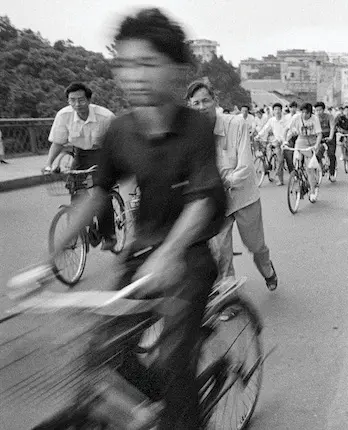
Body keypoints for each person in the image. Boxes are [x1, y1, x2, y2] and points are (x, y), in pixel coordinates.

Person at [46, 9, 228, 429]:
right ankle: (160, 406)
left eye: (147, 63)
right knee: (106, 352)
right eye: (124, 63)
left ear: (178, 71)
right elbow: (97, 193)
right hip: (141, 257)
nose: (133, 74)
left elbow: (202, 199)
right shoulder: (121, 130)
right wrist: (51, 255)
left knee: (173, 359)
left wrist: (170, 253)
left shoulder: (196, 128)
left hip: (190, 256)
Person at [187, 81, 279, 292]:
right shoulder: (191, 134)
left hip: (243, 196)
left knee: (255, 246)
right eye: (196, 103)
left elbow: (246, 166)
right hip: (215, 201)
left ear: (215, 101)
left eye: (205, 101)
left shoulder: (236, 124)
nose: (201, 107)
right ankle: (228, 297)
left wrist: (223, 182)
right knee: (220, 250)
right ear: (190, 106)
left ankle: (267, 270)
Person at [44, 82, 117, 250]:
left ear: (89, 100)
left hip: (103, 153)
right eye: (72, 100)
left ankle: (109, 235)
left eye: (81, 100)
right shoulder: (64, 115)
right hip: (80, 153)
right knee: (75, 188)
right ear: (68, 101)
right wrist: (49, 165)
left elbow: (116, 144)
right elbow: (58, 142)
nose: (77, 104)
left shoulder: (105, 116)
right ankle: (79, 228)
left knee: (101, 191)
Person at [286, 103, 323, 202]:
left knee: (309, 168)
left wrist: (316, 145)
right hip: (301, 140)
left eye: (306, 113)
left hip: (312, 141)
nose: (304, 115)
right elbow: (287, 129)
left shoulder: (315, 119)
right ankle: (297, 177)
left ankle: (312, 191)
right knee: (296, 162)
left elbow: (319, 134)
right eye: (302, 112)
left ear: (310, 113)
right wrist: (285, 141)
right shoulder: (296, 118)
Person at [255, 102, 288, 185]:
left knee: (281, 160)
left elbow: (289, 131)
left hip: (284, 142)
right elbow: (265, 128)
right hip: (275, 141)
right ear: (273, 111)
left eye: (278, 109)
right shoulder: (272, 120)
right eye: (275, 109)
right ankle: (268, 166)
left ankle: (280, 177)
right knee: (268, 148)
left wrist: (284, 140)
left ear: (281, 111)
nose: (277, 111)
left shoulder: (285, 120)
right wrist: (258, 136)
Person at [313, 101, 336, 180]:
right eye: (317, 110)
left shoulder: (329, 116)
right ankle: (321, 167)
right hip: (319, 136)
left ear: (323, 109)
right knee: (317, 154)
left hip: (329, 136)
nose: (318, 112)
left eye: (320, 110)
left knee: (331, 154)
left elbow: (332, 127)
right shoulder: (314, 118)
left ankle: (332, 173)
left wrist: (330, 137)